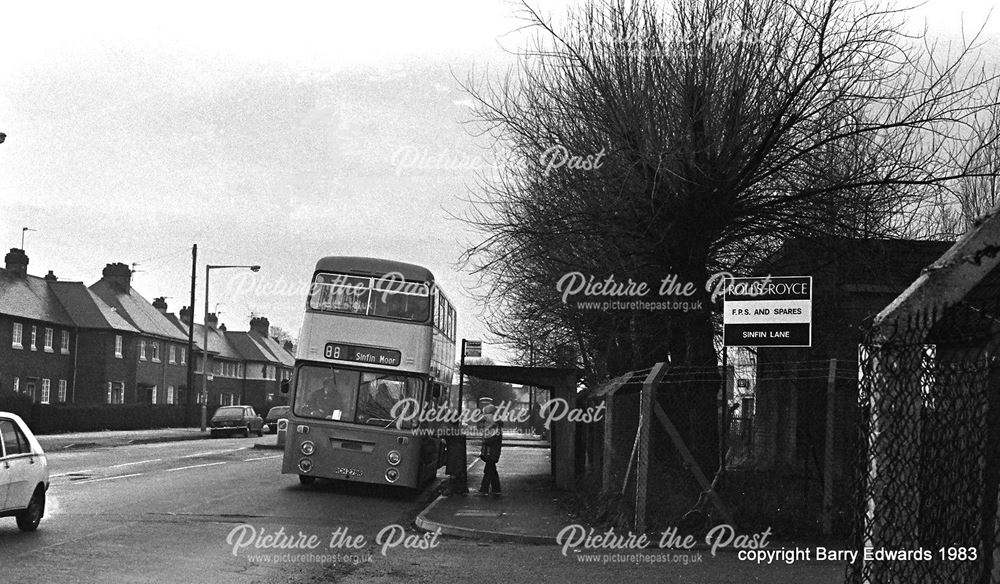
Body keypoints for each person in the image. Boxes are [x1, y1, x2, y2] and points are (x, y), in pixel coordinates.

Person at [477, 404, 503, 496]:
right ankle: (496, 489)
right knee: (491, 470)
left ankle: (484, 490)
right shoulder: (495, 426)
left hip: (491, 452)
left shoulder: (494, 428)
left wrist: (485, 441)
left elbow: (492, 439)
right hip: (492, 452)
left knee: (488, 471)